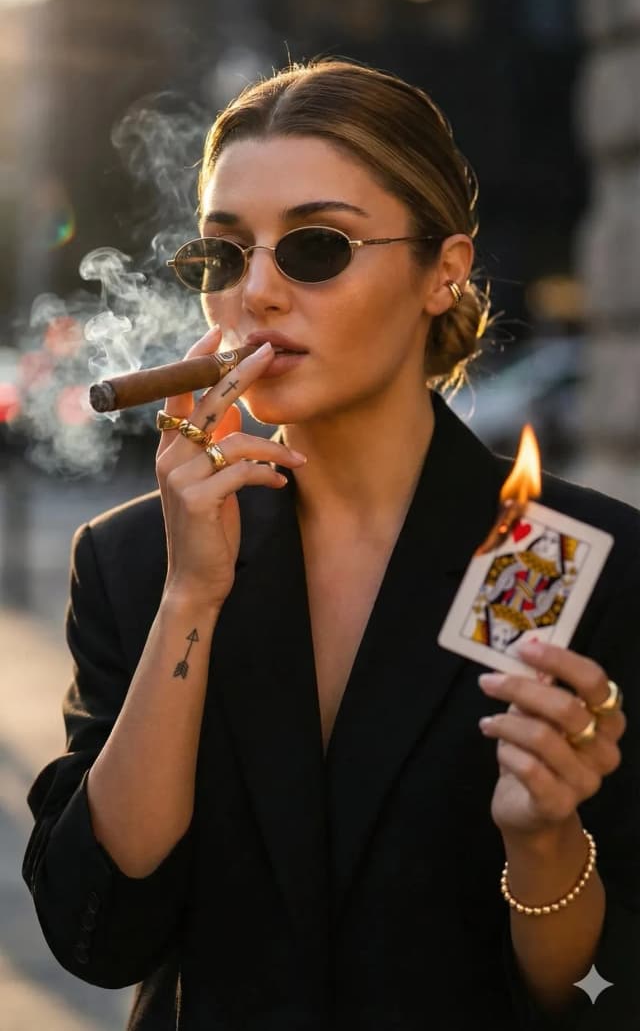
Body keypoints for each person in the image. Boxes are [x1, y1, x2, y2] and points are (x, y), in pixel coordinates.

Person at [22, 58, 639, 1031]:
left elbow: (591, 992)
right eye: (224, 255)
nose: (255, 292)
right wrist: (191, 597)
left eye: (314, 247)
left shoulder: (563, 554)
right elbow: (100, 937)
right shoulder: (138, 560)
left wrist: (546, 838)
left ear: (444, 271)